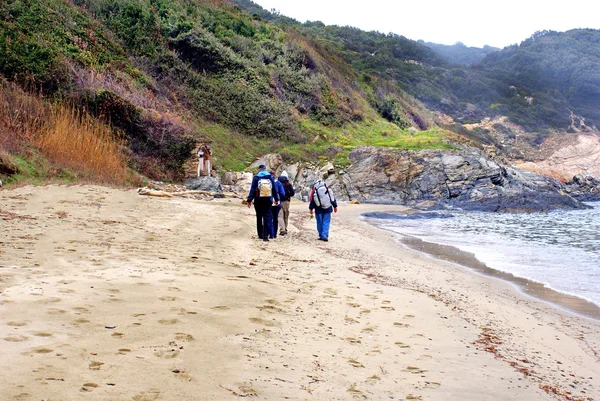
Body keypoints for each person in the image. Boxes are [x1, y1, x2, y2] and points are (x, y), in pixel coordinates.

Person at [247, 165, 279, 242]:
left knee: (259, 217)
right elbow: (274, 189)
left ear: (259, 170)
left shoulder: (256, 177)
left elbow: (252, 189)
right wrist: (276, 199)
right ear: (265, 169)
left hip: (258, 200)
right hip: (268, 199)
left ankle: (260, 235)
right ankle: (265, 236)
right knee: (266, 217)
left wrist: (249, 200)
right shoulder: (270, 177)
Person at [277, 171, 295, 235]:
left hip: (278, 200)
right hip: (286, 201)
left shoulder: (277, 183)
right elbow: (292, 193)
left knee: (280, 216)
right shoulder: (288, 184)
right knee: (285, 215)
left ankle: (282, 229)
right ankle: (285, 228)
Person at [269, 171, 286, 239]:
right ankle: (274, 234)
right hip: (277, 203)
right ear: (274, 175)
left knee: (269, 218)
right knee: (275, 219)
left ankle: (270, 233)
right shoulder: (278, 183)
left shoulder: (267, 182)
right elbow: (282, 193)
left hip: (268, 202)